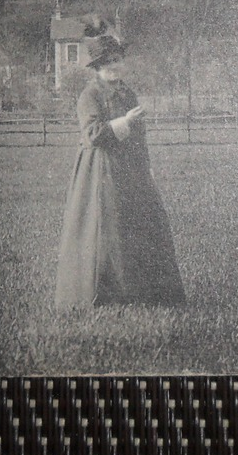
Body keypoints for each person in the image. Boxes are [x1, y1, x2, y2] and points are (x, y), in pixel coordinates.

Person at [54, 27, 186, 308]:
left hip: (132, 169)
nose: (114, 66)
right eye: (107, 62)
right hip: (101, 171)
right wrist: (123, 122)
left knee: (140, 224)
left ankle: (144, 294)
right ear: (98, 67)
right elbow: (92, 135)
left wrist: (146, 166)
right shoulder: (89, 95)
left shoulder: (128, 94)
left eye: (117, 60)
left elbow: (140, 136)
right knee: (107, 228)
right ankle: (106, 297)